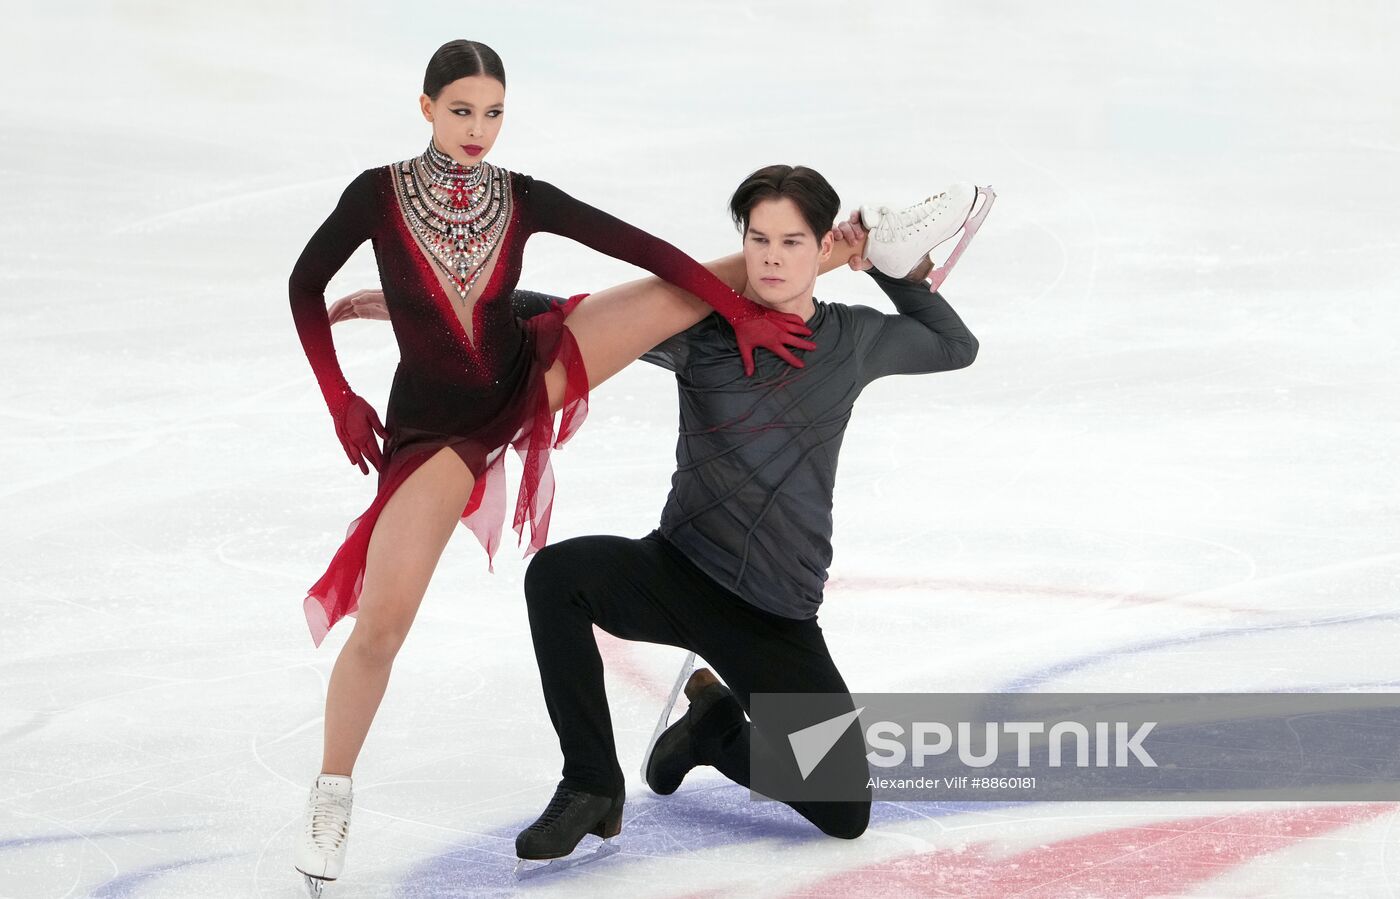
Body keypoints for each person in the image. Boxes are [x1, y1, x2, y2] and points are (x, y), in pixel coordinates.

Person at [286, 38, 877, 895]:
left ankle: (833, 251)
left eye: (493, 112)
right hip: (439, 432)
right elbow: (304, 286)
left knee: (675, 292)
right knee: (382, 622)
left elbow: (649, 254)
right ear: (426, 109)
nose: (478, 129)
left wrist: (745, 313)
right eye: (461, 111)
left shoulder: (520, 196)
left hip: (534, 369)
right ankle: (331, 796)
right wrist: (340, 394)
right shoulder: (376, 195)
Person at [509, 164, 989, 862]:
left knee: (844, 809)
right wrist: (437, 307)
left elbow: (954, 346)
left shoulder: (852, 339)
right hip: (676, 572)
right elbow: (567, 316)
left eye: (792, 242)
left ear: (824, 247)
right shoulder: (700, 333)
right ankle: (590, 783)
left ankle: (714, 731)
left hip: (774, 616)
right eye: (758, 239)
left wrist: (892, 267)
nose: (771, 257)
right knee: (556, 575)